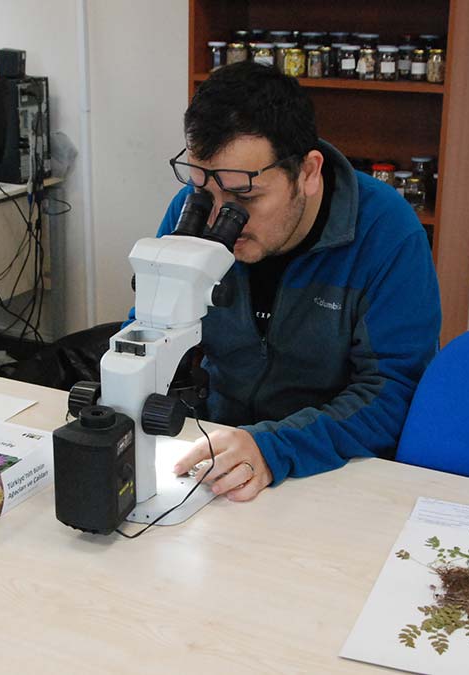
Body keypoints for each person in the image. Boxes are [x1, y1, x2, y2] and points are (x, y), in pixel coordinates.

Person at [152, 62, 441, 502]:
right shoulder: (189, 212)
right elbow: (152, 331)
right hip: (217, 454)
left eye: (244, 197)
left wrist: (275, 447)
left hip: (332, 468)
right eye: (203, 193)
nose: (217, 219)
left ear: (308, 172)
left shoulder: (387, 232)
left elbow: (395, 393)